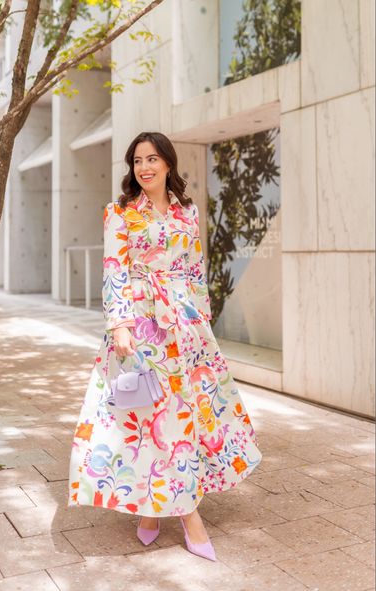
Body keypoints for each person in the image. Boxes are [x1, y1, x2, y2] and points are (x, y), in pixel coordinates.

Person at [68, 131, 262, 561]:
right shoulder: (119, 213)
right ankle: (189, 517)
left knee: (189, 417)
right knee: (154, 418)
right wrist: (120, 324)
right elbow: (114, 270)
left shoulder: (186, 213)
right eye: (137, 161)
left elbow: (194, 268)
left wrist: (202, 319)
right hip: (141, 329)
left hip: (186, 329)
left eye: (153, 159)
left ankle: (154, 512)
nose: (145, 167)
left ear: (168, 164)